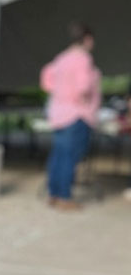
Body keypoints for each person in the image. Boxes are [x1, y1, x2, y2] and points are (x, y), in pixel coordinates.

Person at [39, 22, 101, 211]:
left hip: (58, 112)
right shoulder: (83, 59)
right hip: (76, 113)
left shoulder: (61, 58)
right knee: (70, 157)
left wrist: (60, 93)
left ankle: (53, 193)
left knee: (58, 154)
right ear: (88, 39)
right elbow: (84, 87)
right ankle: (65, 196)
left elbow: (46, 79)